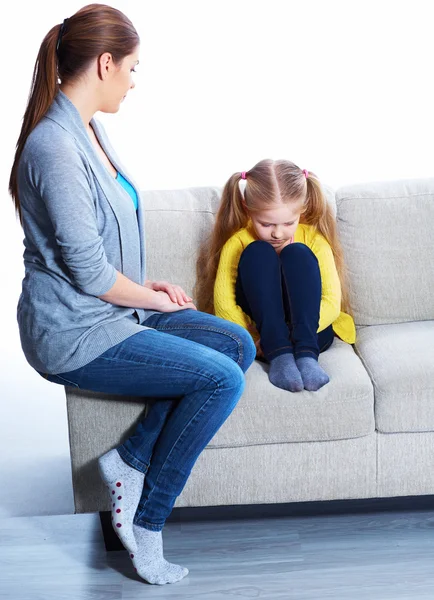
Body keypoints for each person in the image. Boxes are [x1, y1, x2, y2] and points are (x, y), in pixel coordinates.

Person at [9, 3, 256, 586]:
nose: (134, 81)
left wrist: (149, 290)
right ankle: (146, 521)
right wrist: (147, 299)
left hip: (117, 313)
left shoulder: (92, 130)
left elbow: (106, 244)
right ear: (105, 63)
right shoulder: (54, 147)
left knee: (236, 345)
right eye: (133, 68)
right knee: (223, 378)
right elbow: (90, 275)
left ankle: (130, 459)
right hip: (76, 333)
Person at [195, 159, 356, 393]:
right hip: (263, 337)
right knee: (258, 252)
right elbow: (224, 305)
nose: (277, 233)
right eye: (266, 224)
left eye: (288, 223)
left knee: (297, 253)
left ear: (303, 209)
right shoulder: (238, 242)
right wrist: (256, 336)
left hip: (311, 333)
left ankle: (305, 356)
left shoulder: (314, 240)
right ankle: (280, 355)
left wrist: (297, 333)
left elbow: (331, 301)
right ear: (247, 208)